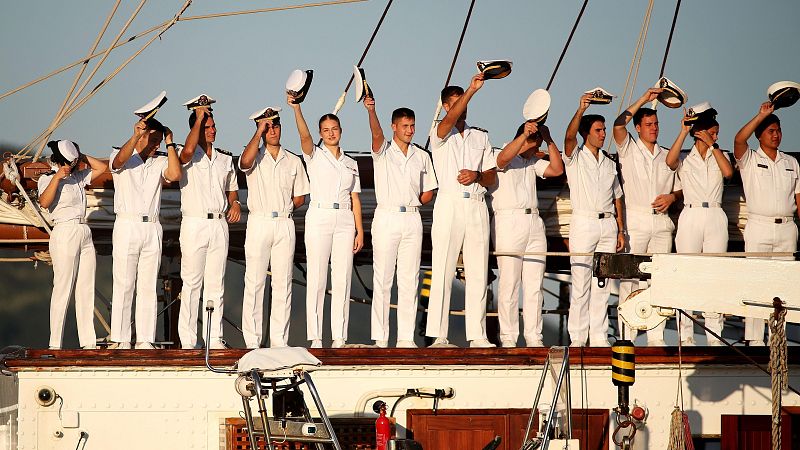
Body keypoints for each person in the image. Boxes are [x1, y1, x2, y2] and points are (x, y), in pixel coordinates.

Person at [425, 73, 498, 348]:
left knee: (479, 270)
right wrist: (472, 89)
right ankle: (439, 335)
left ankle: (478, 335)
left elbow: (492, 176)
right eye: (456, 103)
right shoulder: (439, 133)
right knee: (442, 268)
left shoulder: (481, 136)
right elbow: (447, 123)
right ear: (446, 106)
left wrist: (477, 175)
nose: (463, 107)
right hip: (450, 203)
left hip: (477, 203)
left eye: (464, 102)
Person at [288, 94, 364, 349]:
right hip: (319, 216)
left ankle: (340, 337)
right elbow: (304, 138)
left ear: (341, 131)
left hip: (345, 219)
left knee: (342, 277)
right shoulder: (314, 155)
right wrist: (297, 108)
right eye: (326, 130)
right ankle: (316, 337)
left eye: (334, 129)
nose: (330, 134)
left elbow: (355, 199)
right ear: (321, 133)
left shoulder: (351, 163)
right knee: (318, 277)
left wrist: (360, 231)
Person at [363, 96, 438, 348]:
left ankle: (406, 337)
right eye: (405, 126)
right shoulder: (383, 150)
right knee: (382, 278)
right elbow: (375, 135)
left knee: (409, 279)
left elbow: (430, 189)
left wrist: (416, 199)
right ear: (394, 126)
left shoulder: (421, 155)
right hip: (387, 216)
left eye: (412, 126)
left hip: (412, 218)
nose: (410, 130)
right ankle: (381, 338)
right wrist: (371, 111)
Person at [613, 88, 679, 346]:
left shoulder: (666, 154)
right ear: (638, 128)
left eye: (656, 124)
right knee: (629, 279)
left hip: (662, 222)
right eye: (649, 124)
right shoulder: (628, 148)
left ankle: (656, 337)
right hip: (636, 219)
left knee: (659, 280)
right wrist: (644, 99)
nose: (654, 128)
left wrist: (673, 197)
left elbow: (682, 184)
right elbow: (619, 124)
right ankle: (626, 335)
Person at [108, 118, 182, 349]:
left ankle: (145, 339)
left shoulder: (159, 162)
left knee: (148, 286)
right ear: (142, 136)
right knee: (124, 283)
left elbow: (175, 174)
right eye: (154, 141)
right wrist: (137, 136)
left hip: (152, 225)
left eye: (159, 142)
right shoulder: (121, 156)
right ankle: (120, 339)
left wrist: (169, 142)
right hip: (127, 224)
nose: (156, 146)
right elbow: (118, 162)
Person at [239, 107, 309, 348]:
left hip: (284, 221)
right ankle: (252, 341)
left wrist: (285, 207)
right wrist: (259, 130)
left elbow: (300, 196)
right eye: (268, 127)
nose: (273, 130)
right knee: (255, 281)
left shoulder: (293, 160)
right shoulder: (254, 155)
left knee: (283, 282)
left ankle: (280, 341)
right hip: (259, 221)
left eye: (275, 125)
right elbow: (244, 163)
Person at [490, 121, 563, 347]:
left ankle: (534, 337)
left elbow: (557, 169)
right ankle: (509, 338)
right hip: (508, 220)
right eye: (537, 144)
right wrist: (524, 136)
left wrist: (549, 140)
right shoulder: (499, 151)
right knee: (509, 284)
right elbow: (501, 160)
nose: (537, 150)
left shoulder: (532, 162)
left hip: (533, 221)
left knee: (534, 284)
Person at [733, 102, 800, 346]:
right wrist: (761, 115)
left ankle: (777, 338)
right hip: (759, 225)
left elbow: (798, 197)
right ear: (759, 134)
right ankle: (753, 338)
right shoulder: (750, 159)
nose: (776, 135)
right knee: (756, 280)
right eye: (770, 130)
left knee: (783, 284)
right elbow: (739, 140)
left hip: (787, 227)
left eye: (778, 130)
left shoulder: (791, 162)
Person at [666, 103, 733, 345]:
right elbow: (669, 161)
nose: (715, 136)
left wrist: (713, 145)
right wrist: (684, 131)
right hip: (691, 213)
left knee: (714, 274)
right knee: (687, 273)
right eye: (711, 132)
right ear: (700, 132)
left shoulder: (719, 155)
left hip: (715, 213)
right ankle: (685, 334)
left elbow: (728, 173)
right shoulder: (686, 157)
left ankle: (715, 334)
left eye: (716, 133)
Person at [177, 100, 241, 349]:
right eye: (207, 126)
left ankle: (214, 338)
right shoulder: (188, 154)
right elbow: (186, 153)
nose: (213, 130)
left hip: (219, 223)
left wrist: (235, 204)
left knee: (217, 282)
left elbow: (232, 191)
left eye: (214, 126)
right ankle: (189, 340)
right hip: (194, 222)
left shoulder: (225, 158)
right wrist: (198, 118)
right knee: (192, 282)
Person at [564, 93, 625, 347]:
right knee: (580, 283)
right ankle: (578, 337)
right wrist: (580, 110)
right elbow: (568, 137)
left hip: (608, 224)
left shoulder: (610, 162)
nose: (603, 134)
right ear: (586, 133)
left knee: (603, 283)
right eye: (598, 130)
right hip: (584, 222)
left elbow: (617, 196)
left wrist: (622, 230)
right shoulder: (575, 157)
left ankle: (599, 335)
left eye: (603, 130)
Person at [38, 140, 108, 349]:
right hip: (65, 229)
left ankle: (88, 342)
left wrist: (80, 155)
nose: (72, 166)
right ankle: (55, 343)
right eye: (69, 163)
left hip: (83, 229)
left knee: (86, 287)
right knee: (63, 287)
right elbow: (44, 202)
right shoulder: (48, 178)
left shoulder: (78, 178)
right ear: (59, 162)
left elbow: (102, 168)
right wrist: (58, 177)